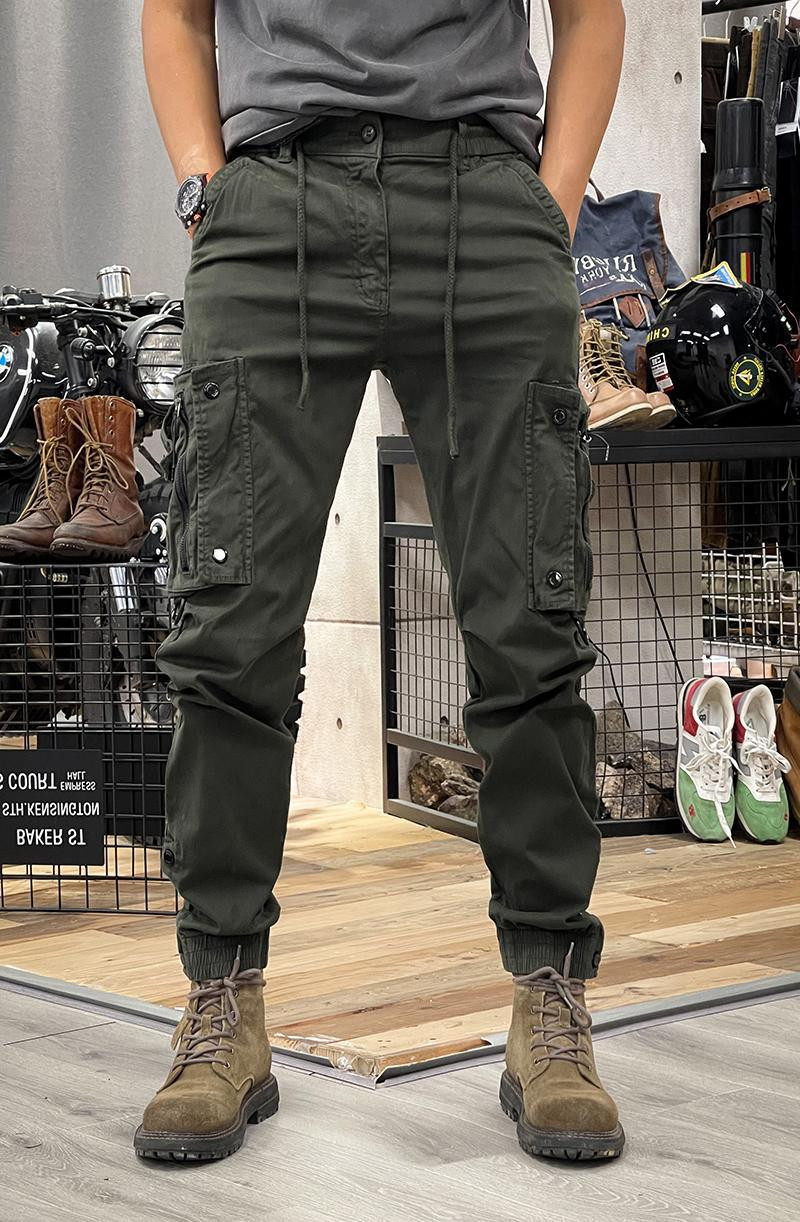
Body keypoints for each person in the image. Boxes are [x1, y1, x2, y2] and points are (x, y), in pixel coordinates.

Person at [136, 0, 627, 1165]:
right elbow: (175, 13)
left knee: (529, 626)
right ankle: (222, 1000)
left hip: (483, 195)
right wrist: (205, 189)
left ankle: (548, 1000)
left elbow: (589, 14)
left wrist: (548, 210)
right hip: (272, 196)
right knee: (228, 632)